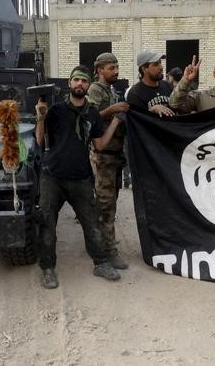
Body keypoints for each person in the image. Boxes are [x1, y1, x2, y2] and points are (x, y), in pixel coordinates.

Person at [34, 66, 125, 289]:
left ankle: (101, 262)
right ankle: (47, 269)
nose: (80, 84)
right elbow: (40, 141)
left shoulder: (92, 113)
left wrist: (115, 121)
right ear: (69, 83)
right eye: (76, 80)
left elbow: (100, 145)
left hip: (81, 178)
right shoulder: (55, 110)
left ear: (87, 85)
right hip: (52, 176)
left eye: (84, 81)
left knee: (92, 223)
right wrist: (40, 117)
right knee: (47, 224)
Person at [87, 53, 131, 270]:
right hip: (103, 156)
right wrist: (113, 110)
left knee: (107, 202)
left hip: (114, 156)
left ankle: (100, 242)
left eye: (116, 66)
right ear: (100, 70)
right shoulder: (95, 89)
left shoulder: (111, 90)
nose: (116, 71)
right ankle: (108, 252)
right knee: (106, 206)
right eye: (111, 67)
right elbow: (90, 117)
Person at [126, 50, 175, 117]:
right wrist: (152, 110)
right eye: (155, 64)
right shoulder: (135, 93)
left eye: (160, 63)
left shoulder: (167, 85)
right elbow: (136, 121)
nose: (161, 67)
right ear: (144, 69)